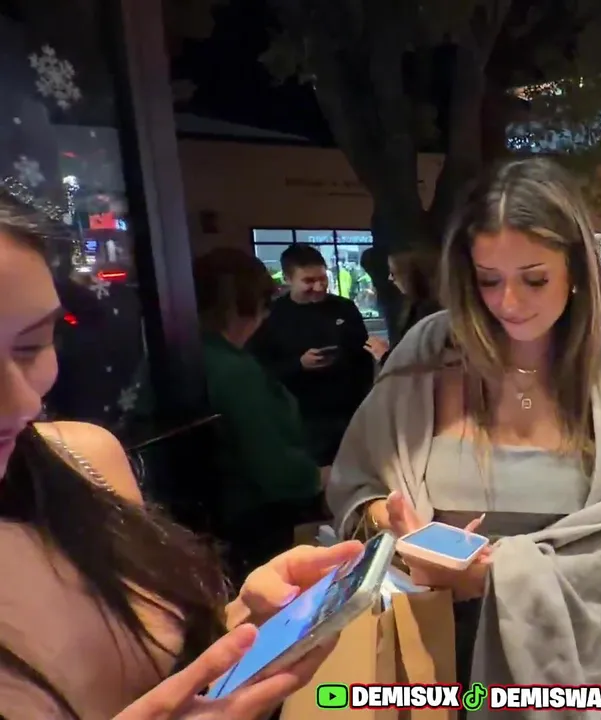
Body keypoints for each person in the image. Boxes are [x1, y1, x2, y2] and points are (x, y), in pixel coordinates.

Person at [0, 192, 362, 718]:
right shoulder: (235, 371)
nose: (21, 402)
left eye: (31, 345)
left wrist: (241, 632)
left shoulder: (85, 460)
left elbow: (166, 671)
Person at [327, 158, 601, 715]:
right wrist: (399, 529)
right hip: (429, 650)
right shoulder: (429, 352)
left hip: (565, 664)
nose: (509, 302)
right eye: (489, 280)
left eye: (535, 279)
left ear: (576, 270)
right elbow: (357, 488)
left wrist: (490, 576)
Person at [194, 248, 327, 585]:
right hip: (245, 527)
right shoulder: (232, 370)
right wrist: (322, 477)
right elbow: (273, 465)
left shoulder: (182, 352)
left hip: (204, 527)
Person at [250, 244, 374, 466]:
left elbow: (363, 354)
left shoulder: (344, 307)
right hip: (301, 418)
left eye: (322, 279)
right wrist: (299, 365)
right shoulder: (272, 316)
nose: (318, 287)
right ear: (288, 279)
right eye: (308, 281)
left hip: (350, 410)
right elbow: (259, 369)